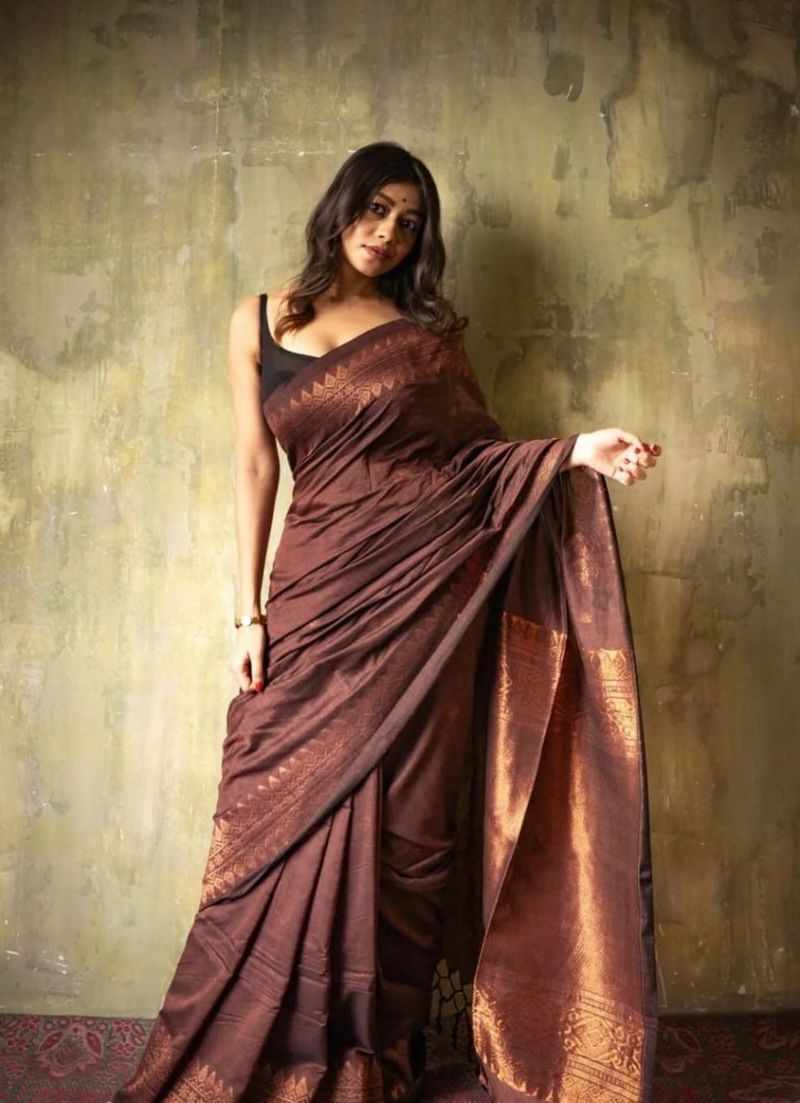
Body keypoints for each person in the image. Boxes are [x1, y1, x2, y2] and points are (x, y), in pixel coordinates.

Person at [113, 141, 661, 1103]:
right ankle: (256, 1044)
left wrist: (575, 450)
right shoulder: (257, 318)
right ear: (342, 206)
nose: (389, 233)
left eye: (410, 222)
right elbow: (255, 465)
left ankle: (369, 1046)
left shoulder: (425, 340)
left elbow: (472, 467)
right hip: (315, 597)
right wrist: (246, 613)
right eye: (377, 209)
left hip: (419, 609)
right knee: (269, 815)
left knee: (405, 820)